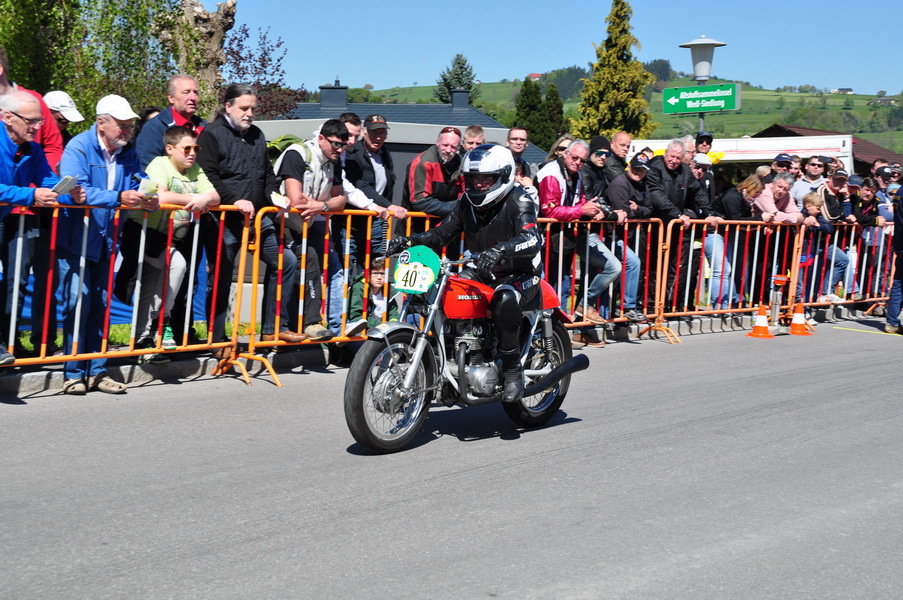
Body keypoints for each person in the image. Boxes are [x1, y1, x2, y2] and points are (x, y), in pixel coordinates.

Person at [386, 144, 542, 403]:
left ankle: (512, 371)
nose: (478, 184)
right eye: (473, 179)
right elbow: (440, 233)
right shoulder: (466, 204)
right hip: (482, 269)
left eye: (485, 179)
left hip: (520, 271)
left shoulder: (520, 200)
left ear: (503, 176)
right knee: (446, 294)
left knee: (505, 298)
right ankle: (451, 367)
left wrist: (502, 250)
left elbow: (532, 238)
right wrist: (411, 241)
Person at [197, 83, 305, 352]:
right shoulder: (211, 134)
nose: (249, 114)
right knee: (222, 275)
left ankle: (273, 328)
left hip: (258, 216)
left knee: (285, 261)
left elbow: (266, 173)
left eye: (253, 109)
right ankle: (217, 339)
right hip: (226, 217)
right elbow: (207, 175)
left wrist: (275, 197)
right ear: (228, 106)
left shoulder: (257, 134)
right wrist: (233, 200)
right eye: (244, 108)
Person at [58, 94, 155, 395]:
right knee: (77, 305)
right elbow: (77, 192)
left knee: (101, 306)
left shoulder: (128, 153)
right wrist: (118, 198)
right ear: (101, 123)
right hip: (75, 241)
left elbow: (140, 182)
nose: (127, 131)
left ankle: (98, 372)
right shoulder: (77, 147)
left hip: (107, 240)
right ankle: (73, 373)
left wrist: (149, 197)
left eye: (129, 126)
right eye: (121, 125)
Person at [0, 91, 83, 366]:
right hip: (11, 215)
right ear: (7, 117)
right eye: (32, 121)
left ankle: (8, 344)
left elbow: (46, 178)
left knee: (16, 284)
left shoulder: (32, 148)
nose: (38, 127)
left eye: (40, 121)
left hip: (10, 219)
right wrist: (30, 195)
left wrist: (69, 191)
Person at [129, 125, 219, 358]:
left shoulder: (195, 168)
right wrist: (195, 198)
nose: (193, 153)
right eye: (187, 148)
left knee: (154, 284)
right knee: (173, 268)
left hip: (170, 237)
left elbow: (215, 196)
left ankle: (147, 338)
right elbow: (161, 196)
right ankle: (156, 324)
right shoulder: (159, 164)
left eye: (196, 148)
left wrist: (204, 198)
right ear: (170, 149)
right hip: (145, 231)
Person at [538, 139, 623, 345]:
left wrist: (592, 211)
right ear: (565, 154)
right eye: (574, 157)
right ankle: (547, 337)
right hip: (546, 237)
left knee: (567, 285)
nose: (577, 162)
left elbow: (581, 201)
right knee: (552, 288)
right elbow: (549, 210)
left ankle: (579, 313)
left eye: (581, 160)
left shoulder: (575, 174)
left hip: (568, 235)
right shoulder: (551, 173)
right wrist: (581, 211)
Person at [273, 118, 351, 342]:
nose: (339, 150)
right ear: (321, 138)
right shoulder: (297, 154)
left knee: (316, 267)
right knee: (303, 264)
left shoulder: (334, 161)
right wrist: (323, 205)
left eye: (343, 146)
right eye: (335, 144)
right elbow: (296, 200)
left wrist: (321, 206)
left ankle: (308, 325)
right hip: (283, 220)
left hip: (312, 221)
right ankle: (295, 325)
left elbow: (340, 200)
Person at [646, 139, 719, 314]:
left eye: (678, 158)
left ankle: (669, 306)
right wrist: (677, 214)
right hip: (657, 226)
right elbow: (656, 195)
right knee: (655, 268)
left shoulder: (685, 171)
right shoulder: (655, 167)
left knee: (676, 268)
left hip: (676, 227)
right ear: (665, 154)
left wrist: (709, 213)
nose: (674, 161)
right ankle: (651, 306)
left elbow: (697, 192)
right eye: (671, 156)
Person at [136, 74, 205, 169]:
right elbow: (147, 167)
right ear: (171, 98)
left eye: (196, 93)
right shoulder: (154, 128)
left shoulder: (204, 127)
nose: (193, 97)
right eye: (186, 92)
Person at [403, 125, 463, 220]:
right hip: (417, 224)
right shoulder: (424, 163)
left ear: (459, 147)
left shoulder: (461, 164)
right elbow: (419, 202)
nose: (448, 150)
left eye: (453, 147)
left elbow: (464, 196)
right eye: (445, 145)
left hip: (446, 224)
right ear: (437, 142)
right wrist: (457, 208)